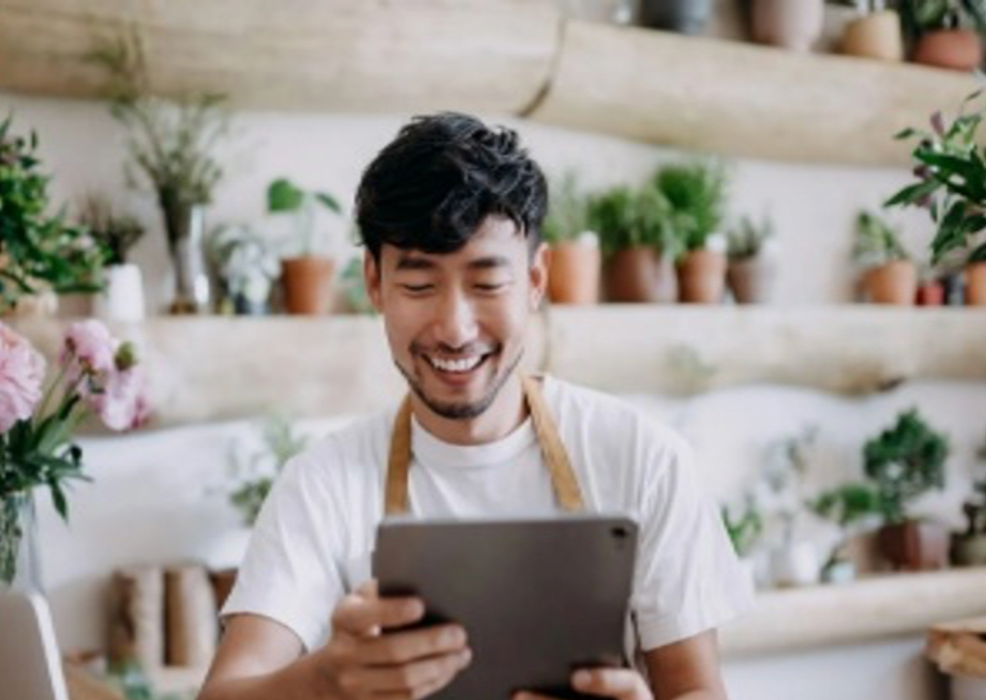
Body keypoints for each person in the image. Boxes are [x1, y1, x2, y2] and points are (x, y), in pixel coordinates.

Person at [197, 113, 752, 700]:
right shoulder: (321, 485)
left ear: (536, 279)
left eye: (487, 285)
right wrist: (324, 681)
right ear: (375, 284)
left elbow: (697, 690)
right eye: (417, 286)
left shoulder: (643, 457)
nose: (455, 329)